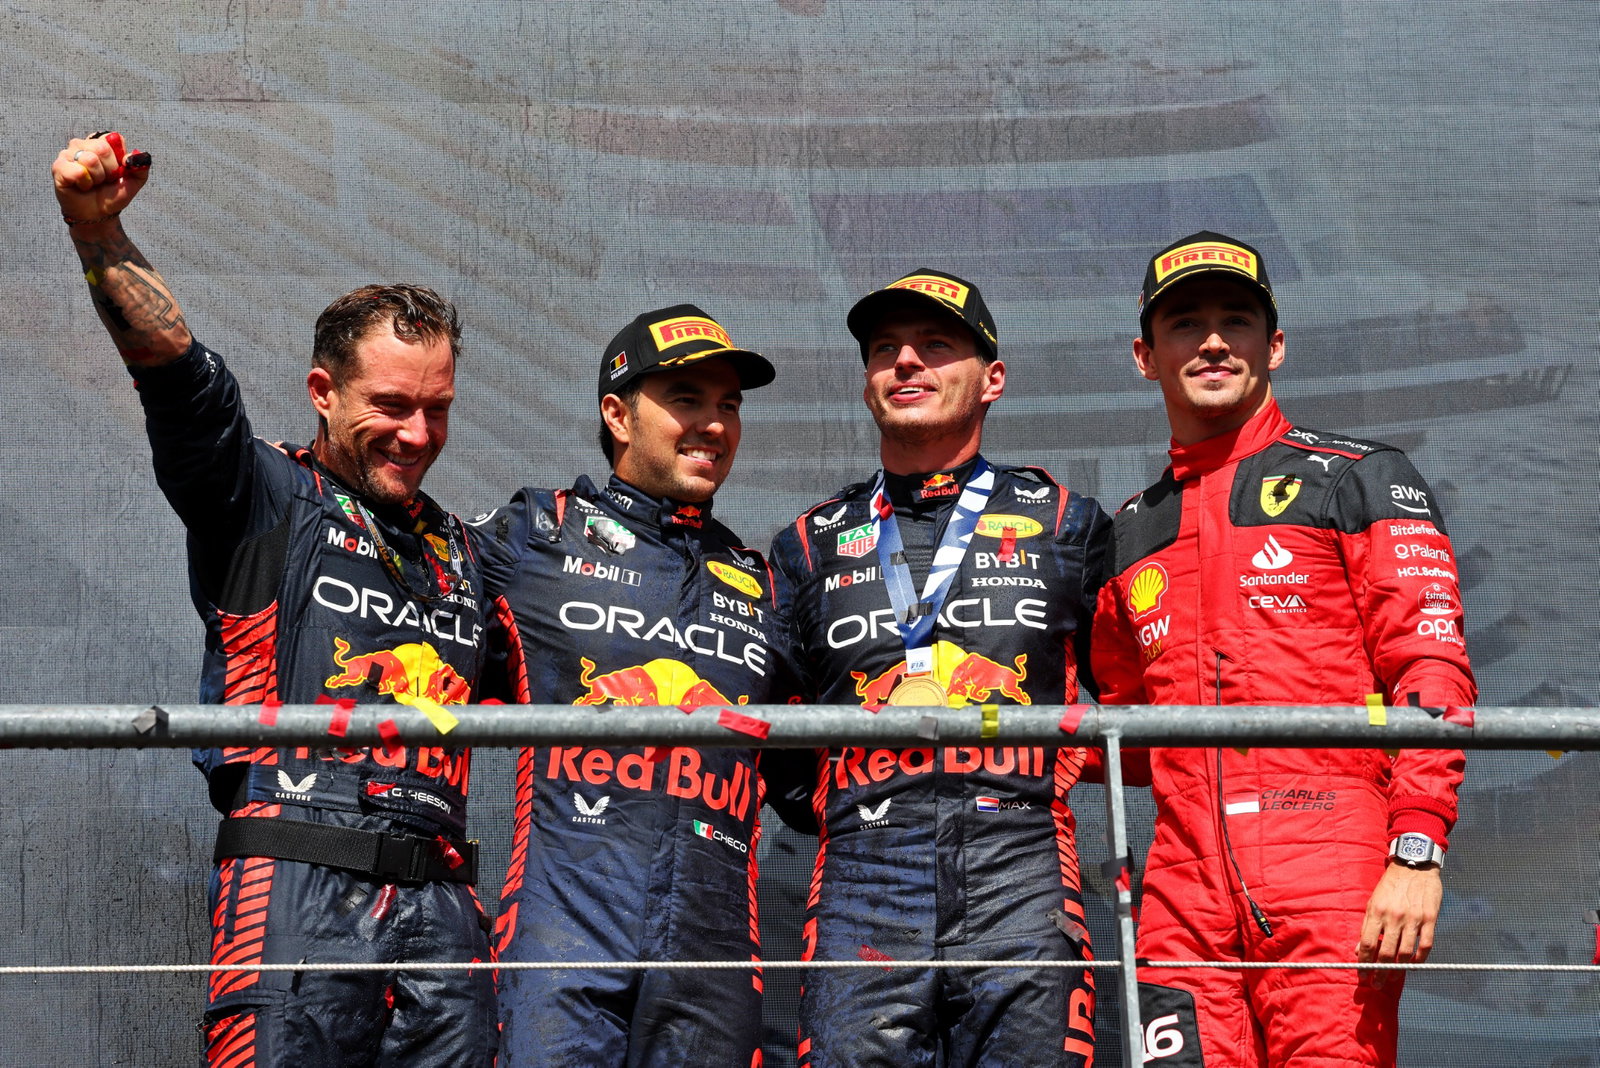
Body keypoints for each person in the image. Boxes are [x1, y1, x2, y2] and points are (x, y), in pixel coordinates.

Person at [52, 132, 495, 1066]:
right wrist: (96, 234)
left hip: (445, 915)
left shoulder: (466, 551)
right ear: (322, 393)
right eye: (391, 405)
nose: (417, 434)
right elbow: (182, 382)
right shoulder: (261, 498)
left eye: (439, 408)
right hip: (293, 889)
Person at [1090, 231, 1475, 1067]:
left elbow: (1432, 667)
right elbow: (1119, 730)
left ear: (1277, 345)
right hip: (1180, 893)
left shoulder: (1360, 477)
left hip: (1332, 863)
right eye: (1186, 323)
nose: (1216, 340)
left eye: (1239, 319)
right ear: (1144, 356)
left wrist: (1416, 849)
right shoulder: (1126, 531)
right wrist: (969, 733)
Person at [767, 270, 1112, 1067]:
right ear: (866, 384)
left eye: (936, 346)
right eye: (885, 349)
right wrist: (859, 808)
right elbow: (779, 736)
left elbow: (1131, 692)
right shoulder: (810, 542)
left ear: (992, 378)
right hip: (865, 876)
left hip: (1020, 870)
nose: (906, 363)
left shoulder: (1066, 523)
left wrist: (1042, 772)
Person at [471, 305, 797, 1066]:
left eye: (729, 405)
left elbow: (809, 785)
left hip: (715, 943)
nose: (714, 424)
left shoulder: (762, 583)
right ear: (617, 414)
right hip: (562, 930)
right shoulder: (533, 535)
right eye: (687, 400)